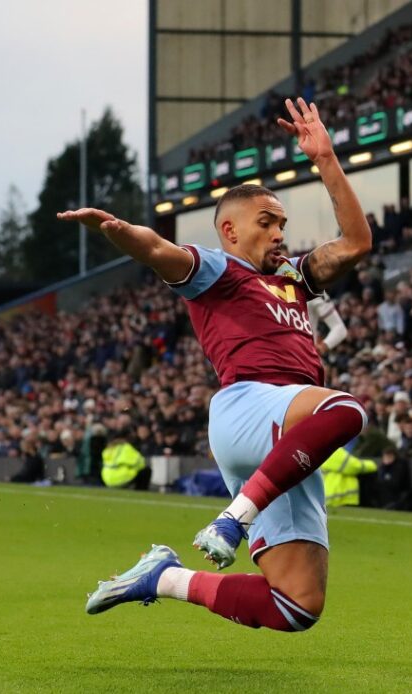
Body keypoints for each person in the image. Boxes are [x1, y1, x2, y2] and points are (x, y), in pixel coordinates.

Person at [73, 97, 373, 633]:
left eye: (282, 222)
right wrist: (119, 230)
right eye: (267, 222)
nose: (280, 232)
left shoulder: (295, 277)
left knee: (296, 605)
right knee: (348, 412)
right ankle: (234, 518)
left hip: (287, 439)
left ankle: (162, 578)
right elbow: (162, 252)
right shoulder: (222, 270)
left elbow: (356, 243)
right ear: (231, 231)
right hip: (250, 406)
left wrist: (326, 158)